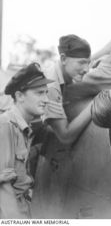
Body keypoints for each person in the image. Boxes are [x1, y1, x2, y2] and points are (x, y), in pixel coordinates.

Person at [0, 63, 53, 218]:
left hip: (23, 205)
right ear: (19, 96)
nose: (46, 99)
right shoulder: (6, 126)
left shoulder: (23, 127)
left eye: (46, 93)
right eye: (39, 93)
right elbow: (4, 188)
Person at [43, 34, 96, 144]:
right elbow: (65, 137)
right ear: (63, 59)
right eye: (81, 62)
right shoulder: (51, 86)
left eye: (88, 63)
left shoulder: (63, 74)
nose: (86, 69)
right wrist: (94, 105)